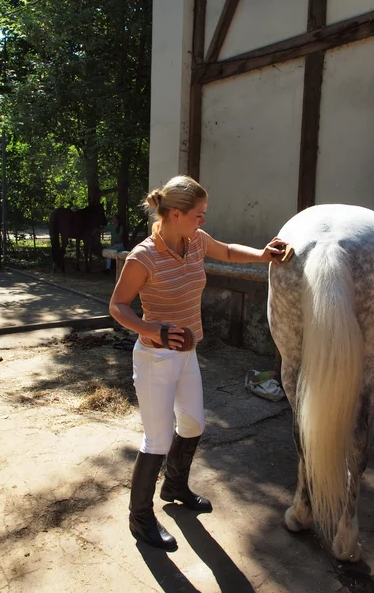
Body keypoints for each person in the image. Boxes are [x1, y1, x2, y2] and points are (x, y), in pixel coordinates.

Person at [109, 175, 288, 551]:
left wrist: (262, 253)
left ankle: (174, 487)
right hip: (155, 356)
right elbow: (118, 307)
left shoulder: (194, 241)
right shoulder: (144, 256)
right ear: (175, 214)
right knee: (156, 439)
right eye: (198, 215)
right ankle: (140, 517)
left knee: (192, 425)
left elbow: (225, 251)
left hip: (187, 352)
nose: (203, 221)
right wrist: (151, 328)